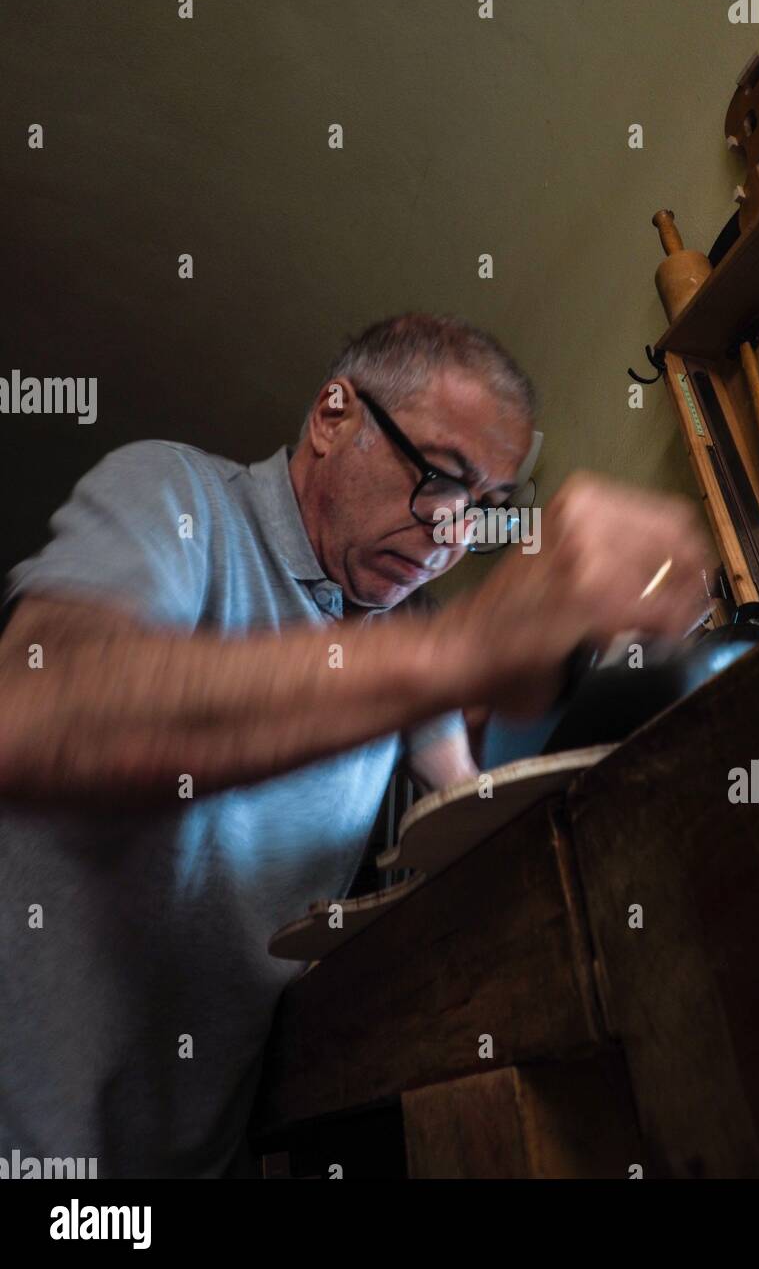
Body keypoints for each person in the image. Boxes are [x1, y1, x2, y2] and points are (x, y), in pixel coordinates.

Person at [0, 312, 707, 1177]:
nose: (450, 537)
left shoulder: (406, 624)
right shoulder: (175, 496)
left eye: (483, 510)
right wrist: (461, 652)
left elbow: (466, 810)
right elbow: (37, 710)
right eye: (441, 479)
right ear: (333, 416)